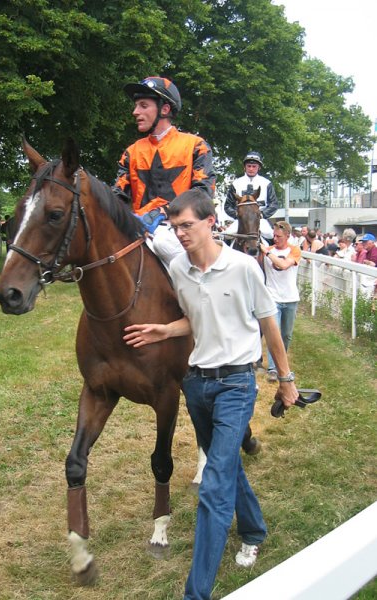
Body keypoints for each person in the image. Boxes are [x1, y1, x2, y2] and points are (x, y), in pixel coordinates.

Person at [124, 189, 298, 600]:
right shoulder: (180, 270)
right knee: (227, 467)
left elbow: (269, 324)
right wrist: (165, 330)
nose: (180, 233)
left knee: (215, 483)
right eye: (174, 226)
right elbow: (194, 317)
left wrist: (285, 379)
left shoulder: (243, 268)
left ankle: (196, 592)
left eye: (187, 225)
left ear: (210, 222)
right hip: (197, 385)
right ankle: (254, 530)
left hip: (237, 385)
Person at [113, 76, 215, 266]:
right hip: (139, 229)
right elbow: (118, 195)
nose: (135, 112)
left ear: (164, 109)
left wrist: (163, 211)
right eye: (136, 106)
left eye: (143, 105)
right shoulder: (131, 152)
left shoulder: (196, 146)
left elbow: (203, 193)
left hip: (181, 228)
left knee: (163, 242)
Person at [260, 221, 302, 383]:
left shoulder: (294, 251)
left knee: (286, 335)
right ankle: (272, 368)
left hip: (291, 298)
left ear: (287, 236)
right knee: (274, 333)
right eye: (274, 236)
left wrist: (268, 253)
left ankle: (281, 364)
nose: (275, 239)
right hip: (273, 299)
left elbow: (284, 265)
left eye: (278, 236)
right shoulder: (267, 250)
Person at [223, 151, 278, 241]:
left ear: (259, 167)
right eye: (249, 166)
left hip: (261, 219)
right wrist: (237, 215)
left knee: (271, 235)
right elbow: (228, 206)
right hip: (241, 220)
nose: (251, 169)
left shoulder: (266, 183)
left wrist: (262, 214)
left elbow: (274, 204)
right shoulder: (236, 183)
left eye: (254, 166)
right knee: (227, 235)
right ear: (245, 167)